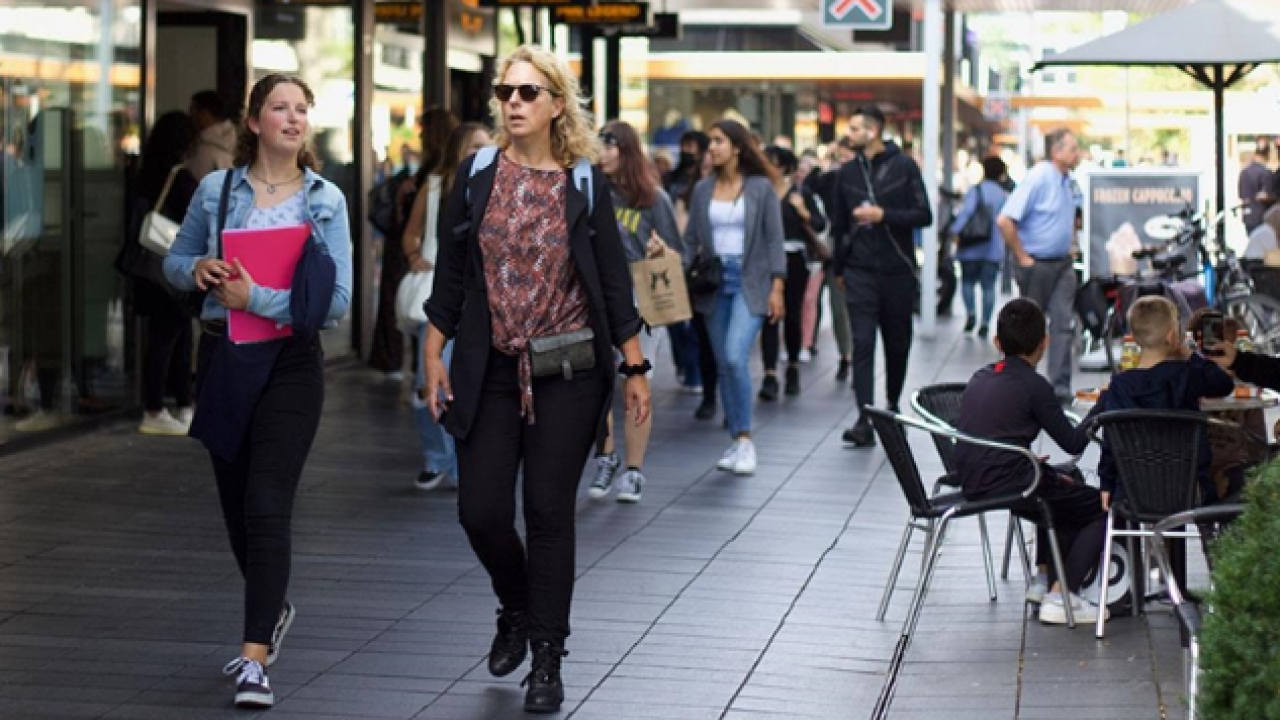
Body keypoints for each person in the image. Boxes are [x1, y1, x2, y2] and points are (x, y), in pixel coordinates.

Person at [421, 45, 650, 714]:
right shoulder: (477, 174)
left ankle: (547, 658)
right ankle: (517, 605)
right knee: (481, 511)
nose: (513, 103)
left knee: (549, 513)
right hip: (490, 365)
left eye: (527, 92)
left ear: (556, 104)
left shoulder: (584, 182)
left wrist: (634, 366)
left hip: (568, 367)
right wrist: (432, 351)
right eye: (505, 92)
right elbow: (452, 273)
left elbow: (613, 282)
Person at [162, 74, 353, 708]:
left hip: (292, 364)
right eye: (280, 107)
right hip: (225, 358)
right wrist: (197, 268)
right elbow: (172, 261)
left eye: (302, 109)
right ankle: (274, 606)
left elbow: (336, 303)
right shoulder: (216, 191)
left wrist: (256, 298)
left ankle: (254, 660)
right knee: (239, 510)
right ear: (254, 121)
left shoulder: (325, 200)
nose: (293, 118)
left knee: (269, 502)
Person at [954, 298, 1108, 625]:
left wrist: (1015, 454)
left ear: (997, 342)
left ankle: (1043, 578)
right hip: (1011, 481)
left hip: (973, 478)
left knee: (1064, 479)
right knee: (1102, 507)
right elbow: (1073, 442)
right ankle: (1063, 595)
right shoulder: (1035, 386)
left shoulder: (981, 376)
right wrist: (1103, 404)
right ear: (1045, 342)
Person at [588, 120, 684, 504]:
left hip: (640, 298)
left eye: (609, 145)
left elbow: (678, 254)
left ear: (627, 150)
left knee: (636, 380)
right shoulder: (591, 192)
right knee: (597, 382)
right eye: (599, 145)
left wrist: (661, 251)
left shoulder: (652, 198)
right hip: (596, 298)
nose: (602, 153)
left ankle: (633, 470)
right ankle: (607, 457)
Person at [683, 119, 786, 475]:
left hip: (750, 280)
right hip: (714, 284)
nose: (711, 148)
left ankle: (745, 439)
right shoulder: (702, 190)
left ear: (737, 147)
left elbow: (774, 239)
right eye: (710, 142)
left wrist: (777, 287)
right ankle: (735, 439)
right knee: (723, 362)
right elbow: (691, 240)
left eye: (718, 141)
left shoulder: (760, 188)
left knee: (733, 355)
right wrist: (672, 262)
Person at [830, 106, 933, 448]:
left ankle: (891, 404)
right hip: (859, 269)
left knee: (897, 342)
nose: (849, 134)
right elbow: (839, 224)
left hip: (897, 269)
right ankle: (865, 417)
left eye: (855, 128)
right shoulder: (847, 172)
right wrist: (839, 268)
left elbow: (924, 214)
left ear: (872, 131)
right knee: (862, 342)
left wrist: (882, 215)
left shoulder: (903, 166)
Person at [401, 121, 492, 491]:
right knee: (429, 379)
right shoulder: (436, 186)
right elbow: (411, 233)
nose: (483, 153)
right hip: (440, 296)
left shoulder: (498, 185)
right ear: (458, 151)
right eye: (475, 146)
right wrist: (414, 257)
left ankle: (457, 462)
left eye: (487, 146)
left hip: (483, 298)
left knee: (471, 381)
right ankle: (437, 457)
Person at [370, 108, 458, 380]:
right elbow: (411, 229)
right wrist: (413, 254)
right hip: (426, 258)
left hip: (431, 261)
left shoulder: (438, 176)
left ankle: (402, 366)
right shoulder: (433, 179)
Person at [127, 111, 201, 435]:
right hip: (172, 269)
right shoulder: (180, 178)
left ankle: (183, 405)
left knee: (175, 335)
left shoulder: (145, 174)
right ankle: (156, 408)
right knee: (169, 337)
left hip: (151, 267)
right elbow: (198, 218)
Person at [997, 127, 1082, 405]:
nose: (1077, 153)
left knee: (1063, 326)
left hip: (1062, 264)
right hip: (1037, 264)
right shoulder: (1039, 177)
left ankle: (1059, 389)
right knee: (1028, 330)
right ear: (1056, 151)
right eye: (1072, 148)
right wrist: (1022, 257)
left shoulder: (1068, 181)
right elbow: (1005, 220)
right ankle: (1021, 388)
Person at [758, 144, 825, 400]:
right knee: (769, 316)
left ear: (784, 167)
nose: (768, 167)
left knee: (792, 315)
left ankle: (793, 368)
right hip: (766, 260)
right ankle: (769, 374)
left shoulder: (800, 193)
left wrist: (803, 211)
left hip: (795, 259)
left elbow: (820, 224)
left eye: (773, 163)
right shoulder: (760, 193)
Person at [950, 156, 1010, 339]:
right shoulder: (1003, 195)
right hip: (993, 248)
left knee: (967, 282)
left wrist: (954, 231)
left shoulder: (976, 190)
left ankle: (971, 313)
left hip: (971, 246)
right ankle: (985, 322)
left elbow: (966, 213)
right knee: (989, 286)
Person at [188, 90, 236, 181]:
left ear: (205, 114)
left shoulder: (204, 151)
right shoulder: (235, 140)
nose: (190, 117)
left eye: (193, 111)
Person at [1240, 142, 1274, 235]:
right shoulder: (1266, 173)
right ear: (1267, 154)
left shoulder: (1244, 172)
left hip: (1248, 216)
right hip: (1262, 217)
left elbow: (1242, 195)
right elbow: (1266, 195)